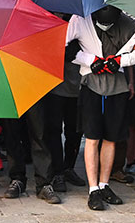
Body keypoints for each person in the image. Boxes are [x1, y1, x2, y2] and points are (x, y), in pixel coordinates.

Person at [66, 6, 135, 211]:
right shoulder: (80, 19)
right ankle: (93, 189)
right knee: (92, 137)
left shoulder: (128, 23)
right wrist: (89, 60)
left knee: (112, 138)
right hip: (91, 83)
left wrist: (121, 61)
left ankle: (105, 184)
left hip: (117, 86)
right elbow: (64, 46)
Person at [43, 31, 86, 193]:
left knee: (75, 131)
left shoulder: (85, 25)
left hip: (79, 88)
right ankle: (58, 172)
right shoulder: (52, 25)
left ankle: (69, 167)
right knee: (53, 131)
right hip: (55, 88)